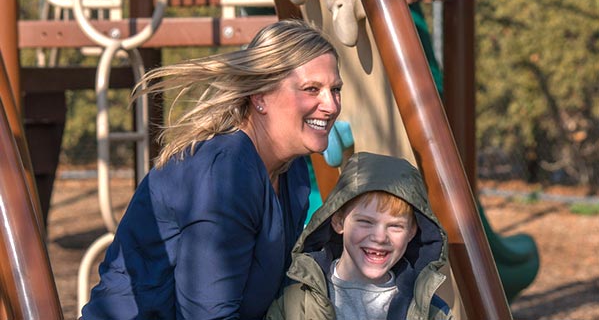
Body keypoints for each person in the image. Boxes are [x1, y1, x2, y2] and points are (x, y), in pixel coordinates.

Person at [81, 19, 343, 319]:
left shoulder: (291, 171)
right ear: (260, 97)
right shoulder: (225, 173)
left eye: (335, 89)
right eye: (312, 89)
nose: (331, 105)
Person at [265, 152, 453, 320]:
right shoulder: (296, 301)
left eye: (395, 226)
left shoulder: (432, 312)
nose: (380, 237)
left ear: (412, 232)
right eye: (365, 222)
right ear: (339, 221)